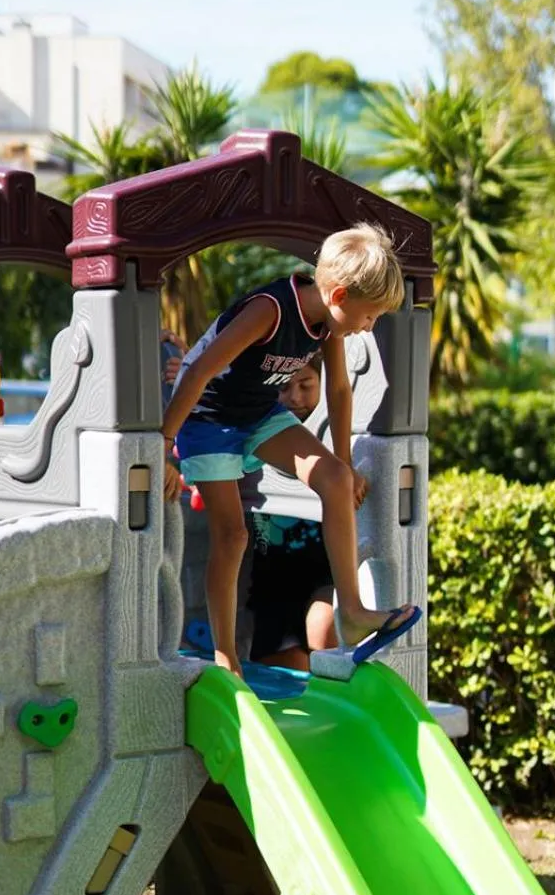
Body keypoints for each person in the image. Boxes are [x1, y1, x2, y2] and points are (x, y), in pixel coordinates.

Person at [161, 224, 420, 673]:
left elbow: (338, 391)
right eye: (369, 316)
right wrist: (164, 448)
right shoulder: (271, 310)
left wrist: (343, 462)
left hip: (258, 414)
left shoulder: (327, 326)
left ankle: (354, 614)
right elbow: (198, 369)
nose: (368, 327)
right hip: (208, 418)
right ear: (339, 296)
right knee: (233, 534)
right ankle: (226, 656)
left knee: (335, 480)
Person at [247, 355, 335, 671]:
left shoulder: (334, 433)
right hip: (274, 582)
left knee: (323, 628)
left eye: (306, 385)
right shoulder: (254, 427)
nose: (295, 397)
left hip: (324, 572)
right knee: (289, 666)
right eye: (284, 387)